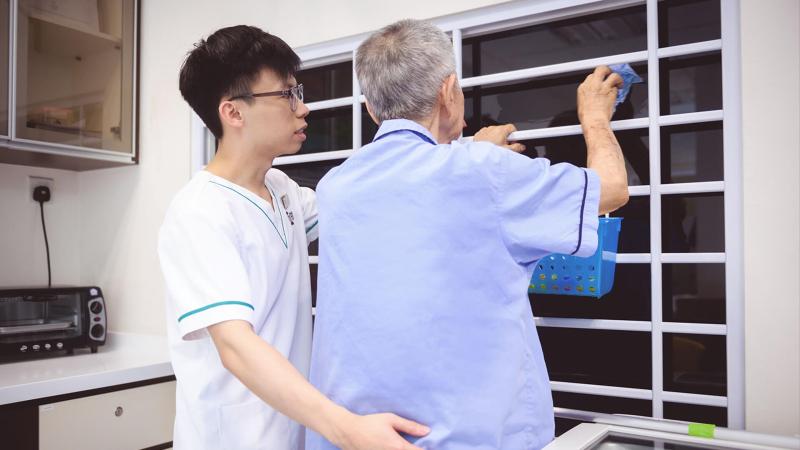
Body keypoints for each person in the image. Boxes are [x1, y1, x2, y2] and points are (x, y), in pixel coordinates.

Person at [306, 19, 629, 449]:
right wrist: (595, 117)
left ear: (370, 109)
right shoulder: (484, 172)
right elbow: (612, 189)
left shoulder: (336, 186)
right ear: (449, 91)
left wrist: (474, 155)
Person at [158, 25, 428, 450]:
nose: (303, 108)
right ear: (233, 113)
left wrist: (462, 153)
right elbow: (235, 346)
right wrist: (346, 428)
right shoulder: (199, 212)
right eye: (287, 94)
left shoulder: (282, 190)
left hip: (292, 432)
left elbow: (364, 203)